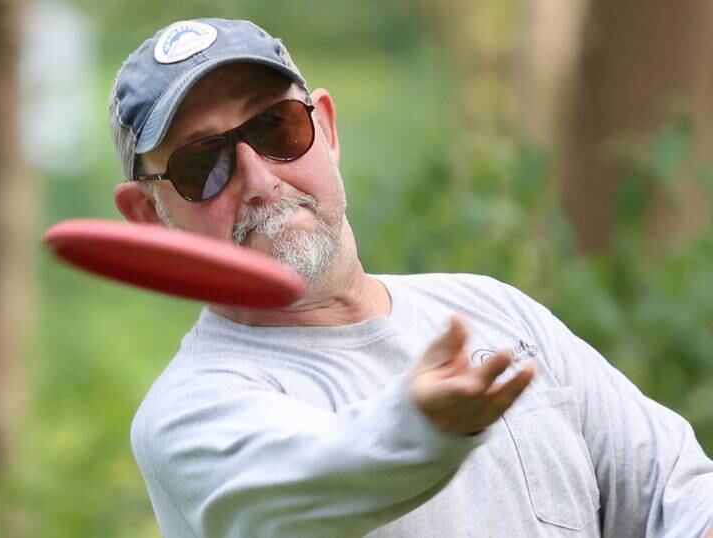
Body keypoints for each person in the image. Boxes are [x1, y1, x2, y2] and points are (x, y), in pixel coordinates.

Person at [109, 17, 713, 538]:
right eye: (203, 164)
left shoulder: (493, 310)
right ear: (148, 217)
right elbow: (315, 473)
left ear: (327, 130)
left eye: (275, 128)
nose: (259, 178)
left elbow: (673, 489)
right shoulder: (188, 414)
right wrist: (419, 427)